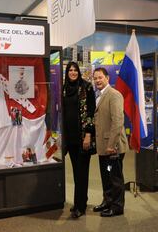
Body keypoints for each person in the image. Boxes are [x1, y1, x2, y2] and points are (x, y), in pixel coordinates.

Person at [93, 67, 129, 217]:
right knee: (106, 175)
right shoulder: (100, 95)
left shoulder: (114, 95)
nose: (97, 81)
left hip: (112, 148)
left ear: (107, 78)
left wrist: (111, 145)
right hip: (103, 147)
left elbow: (118, 122)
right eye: (95, 78)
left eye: (100, 77)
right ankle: (107, 201)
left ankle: (117, 207)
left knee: (115, 178)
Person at [62, 61, 96, 219]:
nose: (73, 72)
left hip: (83, 138)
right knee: (76, 173)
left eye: (75, 70)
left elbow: (90, 112)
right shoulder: (64, 89)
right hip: (70, 139)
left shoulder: (87, 87)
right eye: (70, 70)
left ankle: (80, 207)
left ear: (79, 72)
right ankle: (80, 201)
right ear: (67, 72)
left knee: (82, 173)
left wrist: (88, 134)